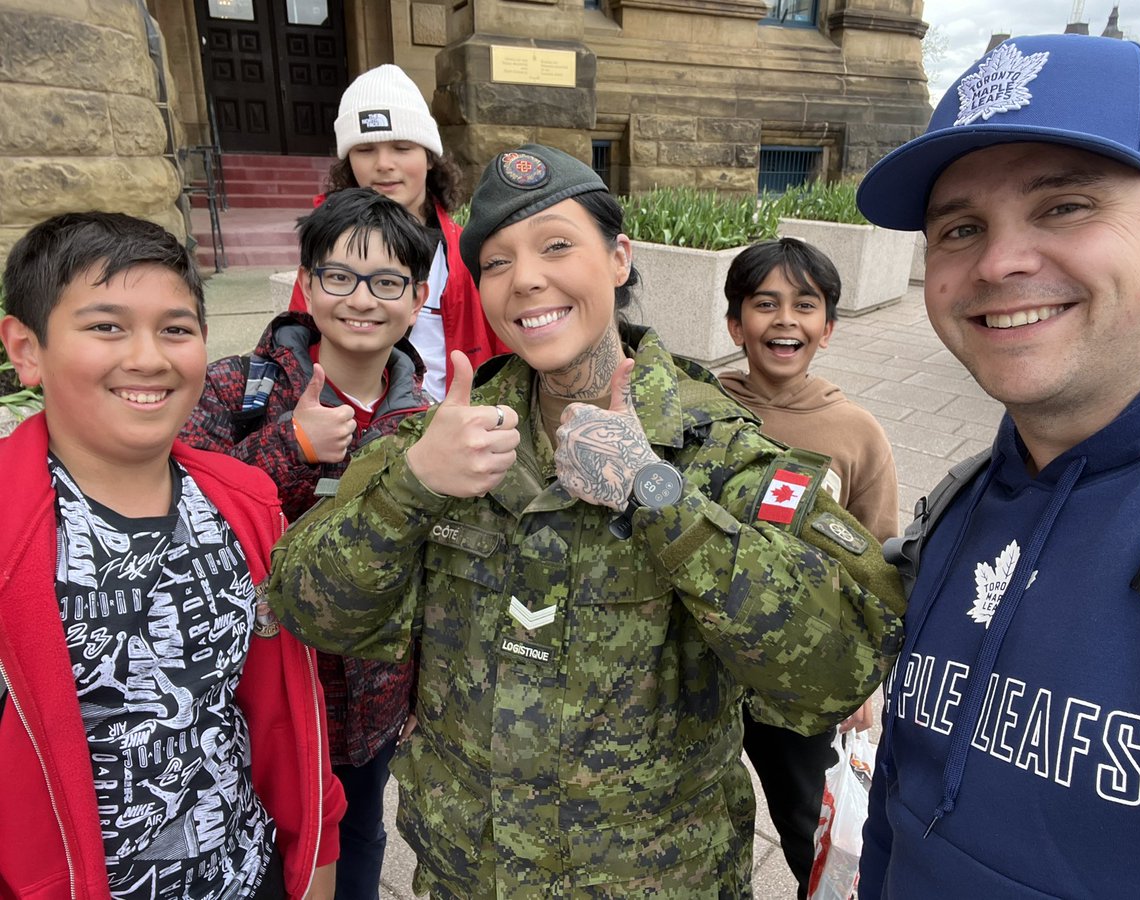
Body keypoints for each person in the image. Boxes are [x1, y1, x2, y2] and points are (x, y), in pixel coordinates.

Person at [267, 142, 907, 897]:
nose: (526, 277)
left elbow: (839, 670)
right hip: (469, 876)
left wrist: (657, 498)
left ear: (619, 258)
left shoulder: (716, 447)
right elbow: (306, 607)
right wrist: (410, 489)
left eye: (556, 245)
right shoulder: (440, 441)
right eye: (497, 262)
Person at [852, 33, 1140, 897]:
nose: (1000, 263)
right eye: (961, 228)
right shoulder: (962, 505)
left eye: (1065, 207)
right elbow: (901, 799)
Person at [0, 212, 346, 899]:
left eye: (176, 329)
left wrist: (315, 853)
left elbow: (279, 711)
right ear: (26, 347)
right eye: (106, 326)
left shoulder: (244, 504)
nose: (149, 358)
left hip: (250, 874)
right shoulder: (11, 530)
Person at [180, 188, 434, 900]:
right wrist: (290, 444)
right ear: (308, 282)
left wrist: (424, 683)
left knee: (358, 838)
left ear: (416, 299)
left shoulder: (423, 421)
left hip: (371, 705)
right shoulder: (237, 387)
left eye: (387, 282)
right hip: (253, 695)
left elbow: (434, 568)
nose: (362, 299)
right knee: (254, 844)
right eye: (339, 276)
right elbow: (183, 508)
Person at [719, 237, 899, 896]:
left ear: (827, 327)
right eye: (764, 303)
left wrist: (867, 677)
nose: (784, 319)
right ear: (736, 323)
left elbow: (879, 564)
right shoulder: (698, 413)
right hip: (698, 671)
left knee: (815, 834)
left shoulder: (856, 432)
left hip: (798, 681)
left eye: (805, 304)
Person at [286, 63, 505, 400]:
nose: (384, 163)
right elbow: (297, 349)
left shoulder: (469, 250)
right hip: (352, 429)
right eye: (365, 149)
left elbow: (506, 350)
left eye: (402, 148)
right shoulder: (325, 249)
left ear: (430, 158)